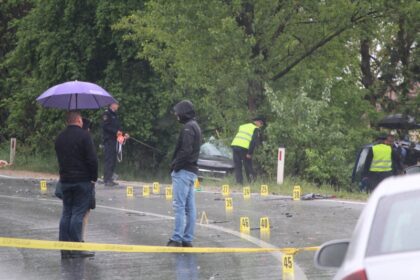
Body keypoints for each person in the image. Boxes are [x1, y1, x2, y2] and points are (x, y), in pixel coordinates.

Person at [55, 111, 98, 258]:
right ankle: (76, 247)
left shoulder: (60, 137)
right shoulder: (85, 136)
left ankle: (64, 248)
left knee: (66, 213)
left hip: (65, 181)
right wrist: (93, 178)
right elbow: (92, 159)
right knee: (78, 214)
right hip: (82, 181)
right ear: (79, 121)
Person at [167, 100, 202, 247]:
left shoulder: (188, 128)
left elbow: (186, 151)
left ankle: (177, 238)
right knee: (190, 207)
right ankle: (187, 239)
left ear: (183, 113)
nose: (176, 116)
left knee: (179, 206)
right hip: (192, 171)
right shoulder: (195, 126)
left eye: (178, 113)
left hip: (184, 171)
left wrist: (175, 166)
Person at [231, 116, 265, 185]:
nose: (261, 126)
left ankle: (239, 183)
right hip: (244, 147)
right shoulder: (255, 129)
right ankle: (251, 181)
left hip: (235, 145)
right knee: (248, 165)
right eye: (261, 124)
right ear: (258, 122)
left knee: (237, 165)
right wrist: (249, 153)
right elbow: (253, 142)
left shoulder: (243, 126)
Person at [102, 102, 128, 186]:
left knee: (113, 160)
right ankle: (106, 179)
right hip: (109, 140)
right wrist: (116, 131)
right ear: (112, 105)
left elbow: (118, 129)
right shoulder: (106, 114)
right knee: (109, 159)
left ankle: (110, 178)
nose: (118, 106)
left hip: (115, 140)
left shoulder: (115, 115)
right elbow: (105, 126)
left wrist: (124, 134)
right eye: (116, 104)